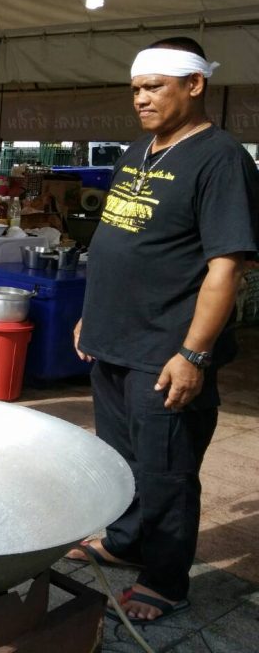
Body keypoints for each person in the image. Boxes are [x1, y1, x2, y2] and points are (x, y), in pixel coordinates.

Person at [68, 38, 259, 623]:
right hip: (114, 340)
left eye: (154, 87)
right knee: (121, 458)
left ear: (195, 84)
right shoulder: (138, 150)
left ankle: (167, 579)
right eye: (135, 89)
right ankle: (126, 542)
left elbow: (226, 267)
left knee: (166, 470)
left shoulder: (221, 157)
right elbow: (122, 239)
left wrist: (194, 355)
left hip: (166, 348)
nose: (141, 99)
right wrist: (91, 315)